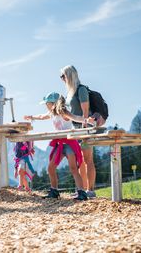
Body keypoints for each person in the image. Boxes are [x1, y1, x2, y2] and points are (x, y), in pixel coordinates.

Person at [24, 92, 95, 201]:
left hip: (69, 144)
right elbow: (42, 116)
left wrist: (86, 120)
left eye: (47, 103)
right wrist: (32, 117)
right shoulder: (52, 113)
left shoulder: (63, 112)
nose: (46, 106)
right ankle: (54, 191)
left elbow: (75, 117)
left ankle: (81, 192)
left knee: (73, 168)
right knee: (51, 167)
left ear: (52, 103)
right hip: (59, 144)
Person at [60, 65, 102, 198]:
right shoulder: (70, 93)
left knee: (88, 159)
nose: (62, 79)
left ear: (69, 76)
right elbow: (73, 114)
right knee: (81, 160)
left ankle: (91, 190)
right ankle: (82, 190)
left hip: (85, 130)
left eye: (63, 76)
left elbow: (85, 113)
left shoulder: (81, 90)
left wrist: (84, 130)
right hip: (76, 129)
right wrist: (65, 114)